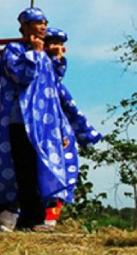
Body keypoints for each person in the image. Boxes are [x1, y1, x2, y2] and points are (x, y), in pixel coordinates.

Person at [0, 8, 99, 232]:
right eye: (38, 22)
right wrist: (34, 53)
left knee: (42, 167)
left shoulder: (42, 53)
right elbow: (22, 77)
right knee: (24, 170)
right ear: (24, 26)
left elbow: (53, 87)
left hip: (44, 124)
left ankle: (29, 216)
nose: (43, 26)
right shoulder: (14, 50)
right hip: (21, 120)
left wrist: (56, 58)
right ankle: (26, 217)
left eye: (45, 22)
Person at [42, 27, 102, 227]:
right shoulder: (39, 70)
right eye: (52, 44)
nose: (57, 49)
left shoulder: (57, 85)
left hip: (59, 127)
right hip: (41, 128)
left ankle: (50, 216)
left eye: (59, 45)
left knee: (63, 169)